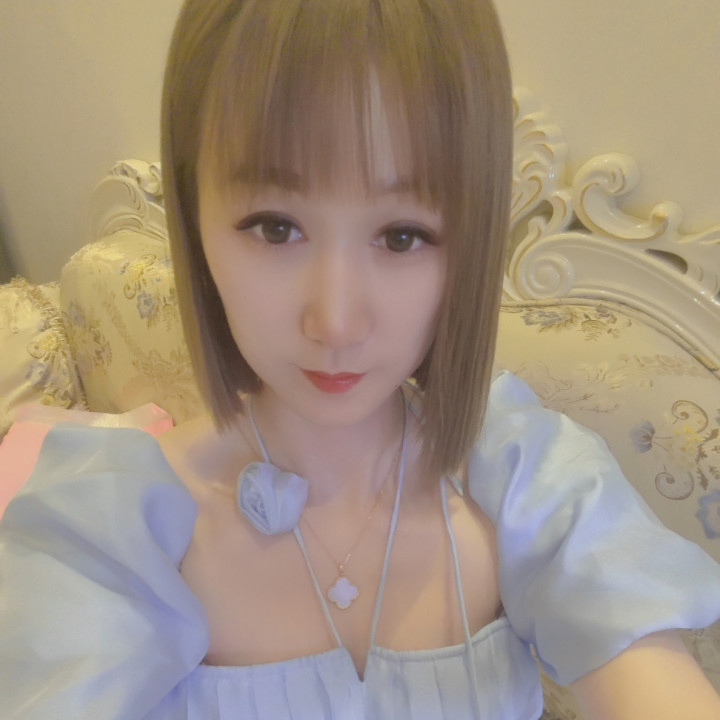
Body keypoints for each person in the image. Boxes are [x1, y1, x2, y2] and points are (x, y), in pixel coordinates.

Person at [1, 1, 720, 718]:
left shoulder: (530, 482)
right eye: (275, 227)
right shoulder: (110, 532)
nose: (336, 322)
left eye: (402, 236)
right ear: (195, 221)